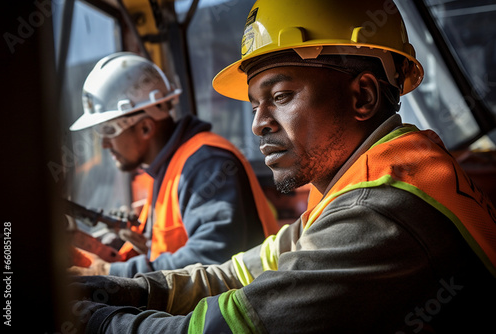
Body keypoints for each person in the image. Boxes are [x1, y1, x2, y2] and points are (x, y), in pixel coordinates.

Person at [70, 1, 496, 332]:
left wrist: (91, 321)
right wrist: (122, 287)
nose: (258, 123)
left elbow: (223, 331)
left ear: (362, 97)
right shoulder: (355, 185)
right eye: (256, 103)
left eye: (281, 96)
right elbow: (236, 272)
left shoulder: (381, 212)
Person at [67, 52, 279, 278]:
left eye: (108, 130)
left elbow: (213, 259)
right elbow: (168, 248)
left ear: (146, 128)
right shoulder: (167, 170)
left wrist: (111, 272)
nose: (104, 144)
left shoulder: (207, 164)